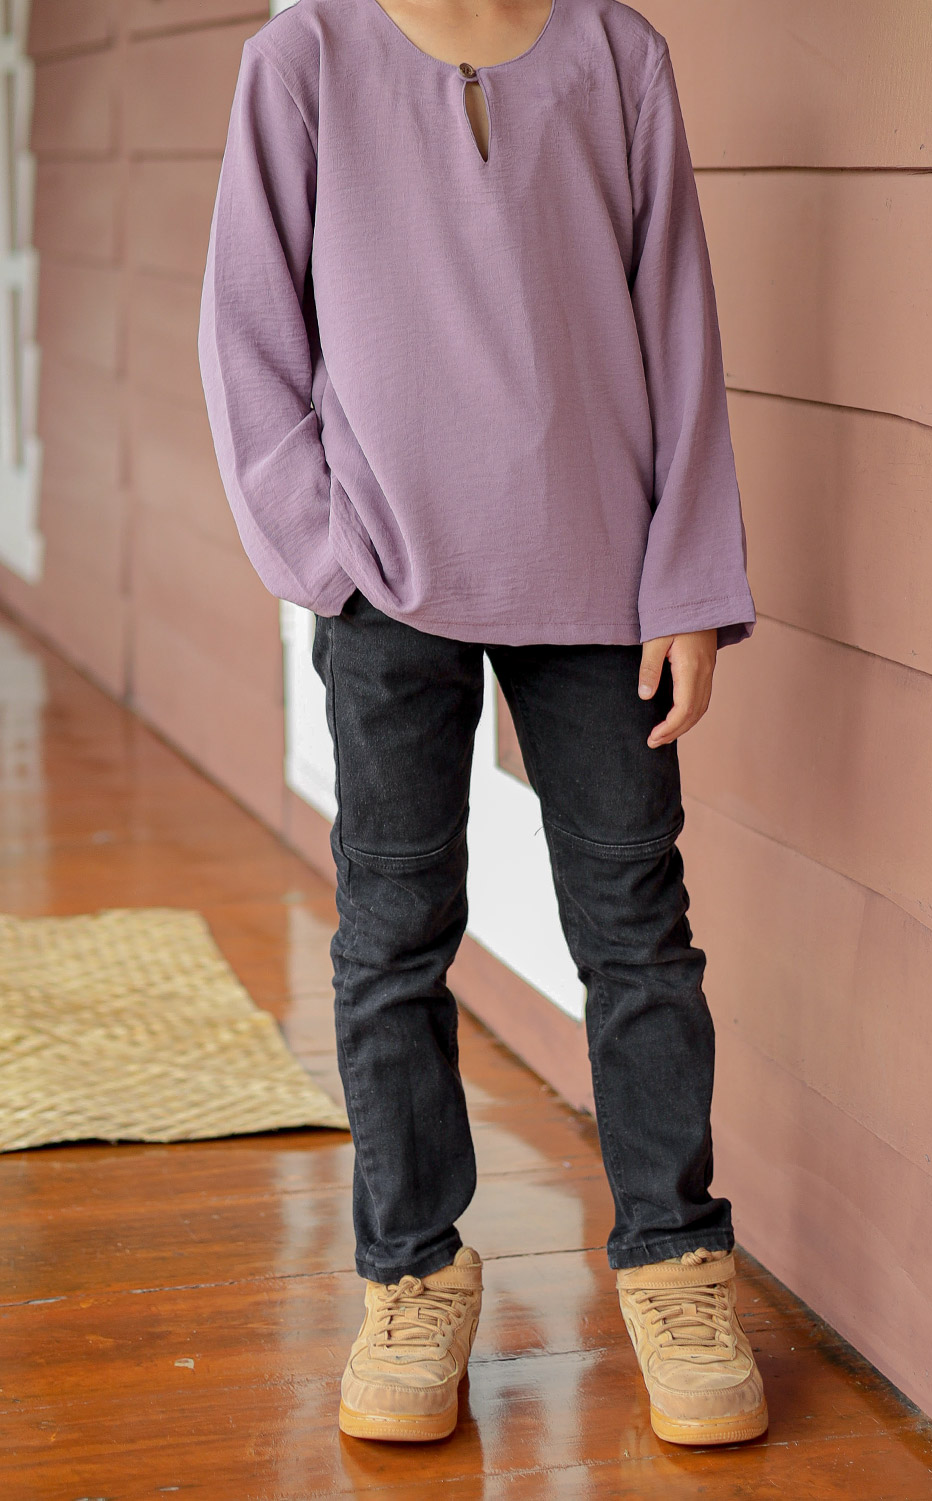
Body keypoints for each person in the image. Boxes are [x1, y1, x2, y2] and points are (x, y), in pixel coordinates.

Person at [198, 0, 767, 1450]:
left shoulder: (617, 57)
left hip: (600, 577)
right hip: (384, 581)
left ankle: (677, 1266)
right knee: (393, 936)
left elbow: (677, 319)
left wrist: (688, 581)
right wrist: (325, 554)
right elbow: (247, 327)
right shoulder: (306, 57)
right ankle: (412, 1275)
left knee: (638, 931)